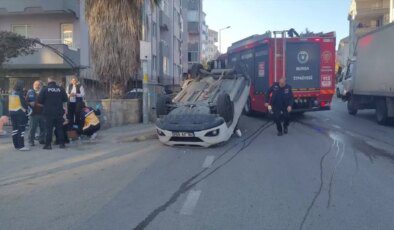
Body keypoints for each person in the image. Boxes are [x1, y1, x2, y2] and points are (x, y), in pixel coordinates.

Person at [38, 77, 68, 149]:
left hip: (48, 112)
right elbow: (65, 99)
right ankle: (62, 144)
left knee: (49, 129)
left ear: (49, 81)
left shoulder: (45, 89)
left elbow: (39, 100)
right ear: (55, 81)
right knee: (59, 128)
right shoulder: (60, 89)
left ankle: (48, 145)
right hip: (59, 112)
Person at [8, 80, 30, 151]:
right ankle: (21, 146)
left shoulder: (12, 92)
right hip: (20, 113)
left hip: (12, 112)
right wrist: (27, 108)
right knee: (21, 129)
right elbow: (24, 103)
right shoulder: (20, 93)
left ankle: (16, 145)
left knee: (15, 129)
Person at [26, 80, 45, 146]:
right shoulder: (30, 92)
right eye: (37, 84)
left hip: (42, 113)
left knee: (43, 128)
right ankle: (31, 141)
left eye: (40, 85)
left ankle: (42, 140)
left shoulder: (43, 92)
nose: (39, 86)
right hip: (34, 113)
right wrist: (29, 103)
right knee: (32, 128)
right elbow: (26, 102)